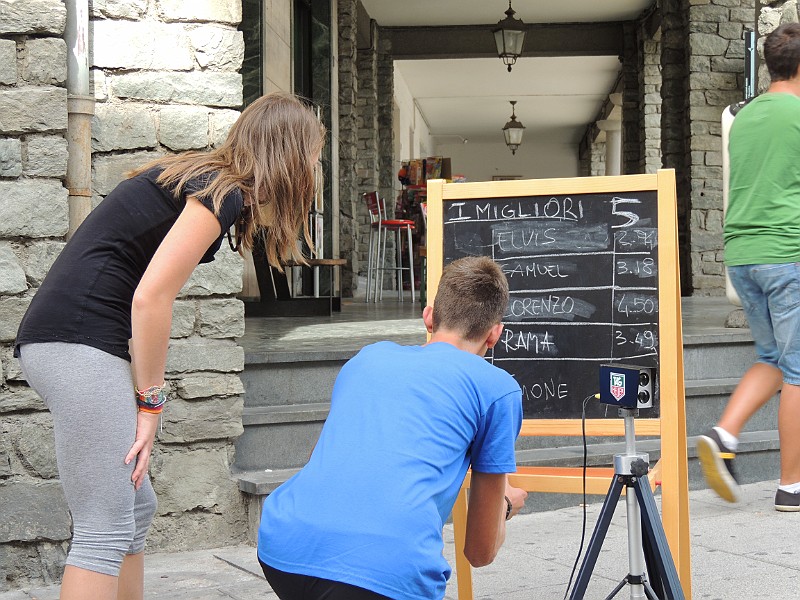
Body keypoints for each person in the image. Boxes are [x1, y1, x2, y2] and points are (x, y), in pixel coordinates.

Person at [14, 92, 325, 599]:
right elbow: (151, 298)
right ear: (288, 156)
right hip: (75, 341)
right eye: (312, 157)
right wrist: (150, 403)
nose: (313, 171)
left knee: (134, 508)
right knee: (103, 525)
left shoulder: (208, 181)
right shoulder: (222, 193)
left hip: (76, 340)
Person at [257, 256, 528, 600]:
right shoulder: (497, 389)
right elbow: (480, 551)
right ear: (494, 335)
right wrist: (504, 505)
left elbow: (330, 458)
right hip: (386, 572)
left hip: (282, 546)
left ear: (428, 317)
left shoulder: (368, 357)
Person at [697, 23, 800, 512]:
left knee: (772, 359)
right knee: (798, 370)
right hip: (787, 253)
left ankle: (724, 434)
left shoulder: (745, 115)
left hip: (743, 255)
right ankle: (791, 486)